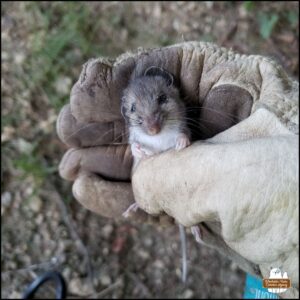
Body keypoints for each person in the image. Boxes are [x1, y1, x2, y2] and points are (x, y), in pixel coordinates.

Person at [56, 41, 299, 298]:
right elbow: (284, 283)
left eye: (161, 100)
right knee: (270, 282)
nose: (151, 123)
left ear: (174, 95)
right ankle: (268, 276)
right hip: (278, 276)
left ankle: (267, 276)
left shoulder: (179, 118)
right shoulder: (136, 131)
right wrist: (285, 279)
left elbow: (182, 131)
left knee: (266, 282)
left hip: (274, 272)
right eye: (136, 112)